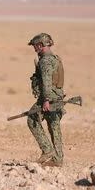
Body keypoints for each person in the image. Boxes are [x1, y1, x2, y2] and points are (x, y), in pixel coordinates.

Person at [27, 33, 65, 167]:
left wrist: (46, 100)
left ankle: (47, 150)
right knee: (54, 126)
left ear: (40, 45)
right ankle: (58, 159)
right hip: (58, 96)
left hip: (49, 97)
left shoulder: (45, 61)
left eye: (35, 46)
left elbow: (47, 81)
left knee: (32, 119)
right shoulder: (55, 58)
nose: (34, 49)